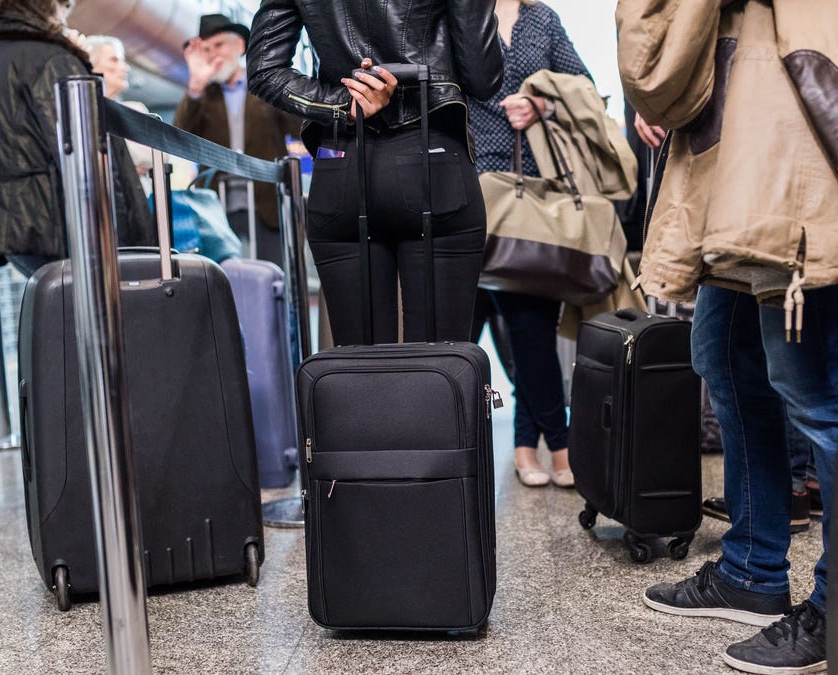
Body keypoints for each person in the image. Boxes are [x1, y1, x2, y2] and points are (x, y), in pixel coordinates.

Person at [622, 0, 838, 672]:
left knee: (818, 382)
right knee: (726, 356)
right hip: (746, 122)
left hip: (808, 113)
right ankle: (752, 570)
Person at [247, 0, 503, 346]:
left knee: (359, 367)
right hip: (433, 162)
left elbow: (264, 69)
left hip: (342, 167)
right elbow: (483, 76)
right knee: (440, 364)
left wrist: (343, 103)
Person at [469, 0, 588, 488]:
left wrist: (542, 104)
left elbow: (583, 88)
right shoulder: (462, 14)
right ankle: (553, 444)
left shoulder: (542, 20)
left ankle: (530, 446)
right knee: (465, 330)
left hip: (532, 194)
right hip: (469, 189)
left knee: (530, 323)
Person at [0, 0, 155, 279]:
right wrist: (124, 242)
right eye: (66, 6)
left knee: (53, 315)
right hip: (64, 233)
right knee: (87, 318)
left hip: (8, 233)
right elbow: (88, 165)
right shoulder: (54, 60)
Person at [174, 14, 302, 267]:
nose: (213, 54)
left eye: (219, 45)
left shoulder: (263, 85)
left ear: (240, 46)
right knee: (224, 276)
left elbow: (299, 128)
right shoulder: (202, 95)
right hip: (216, 204)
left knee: (273, 271)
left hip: (266, 203)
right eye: (207, 49)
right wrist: (196, 85)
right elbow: (180, 135)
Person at [85, 34, 152, 179]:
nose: (125, 68)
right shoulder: (81, 117)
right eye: (114, 60)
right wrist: (129, 165)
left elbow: (157, 157)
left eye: (122, 61)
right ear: (91, 65)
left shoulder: (135, 110)